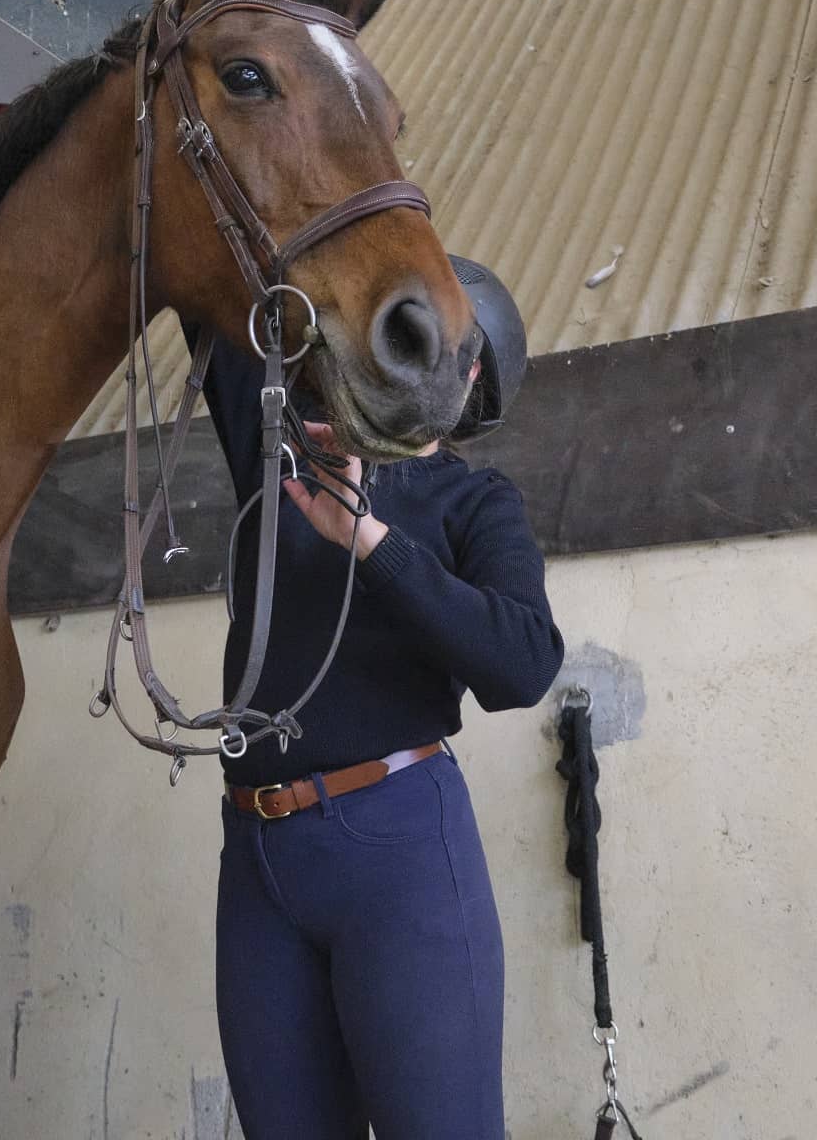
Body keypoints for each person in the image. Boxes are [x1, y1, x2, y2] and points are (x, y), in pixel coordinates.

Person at [194, 256, 564, 1140]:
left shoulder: (475, 502)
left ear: (471, 375)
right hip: (256, 855)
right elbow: (214, 286)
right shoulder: (276, 450)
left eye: (447, 343)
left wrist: (369, 540)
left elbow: (521, 665)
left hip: (398, 849)